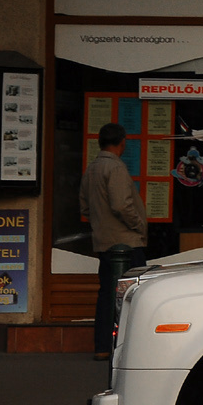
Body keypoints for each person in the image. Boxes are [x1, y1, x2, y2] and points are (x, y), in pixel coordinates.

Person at [79, 123, 147, 360]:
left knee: (106, 294)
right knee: (132, 295)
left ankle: (102, 347)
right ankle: (127, 349)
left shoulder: (92, 168)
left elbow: (85, 207)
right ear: (123, 143)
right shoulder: (115, 167)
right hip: (126, 242)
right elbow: (121, 205)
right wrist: (139, 224)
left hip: (103, 240)